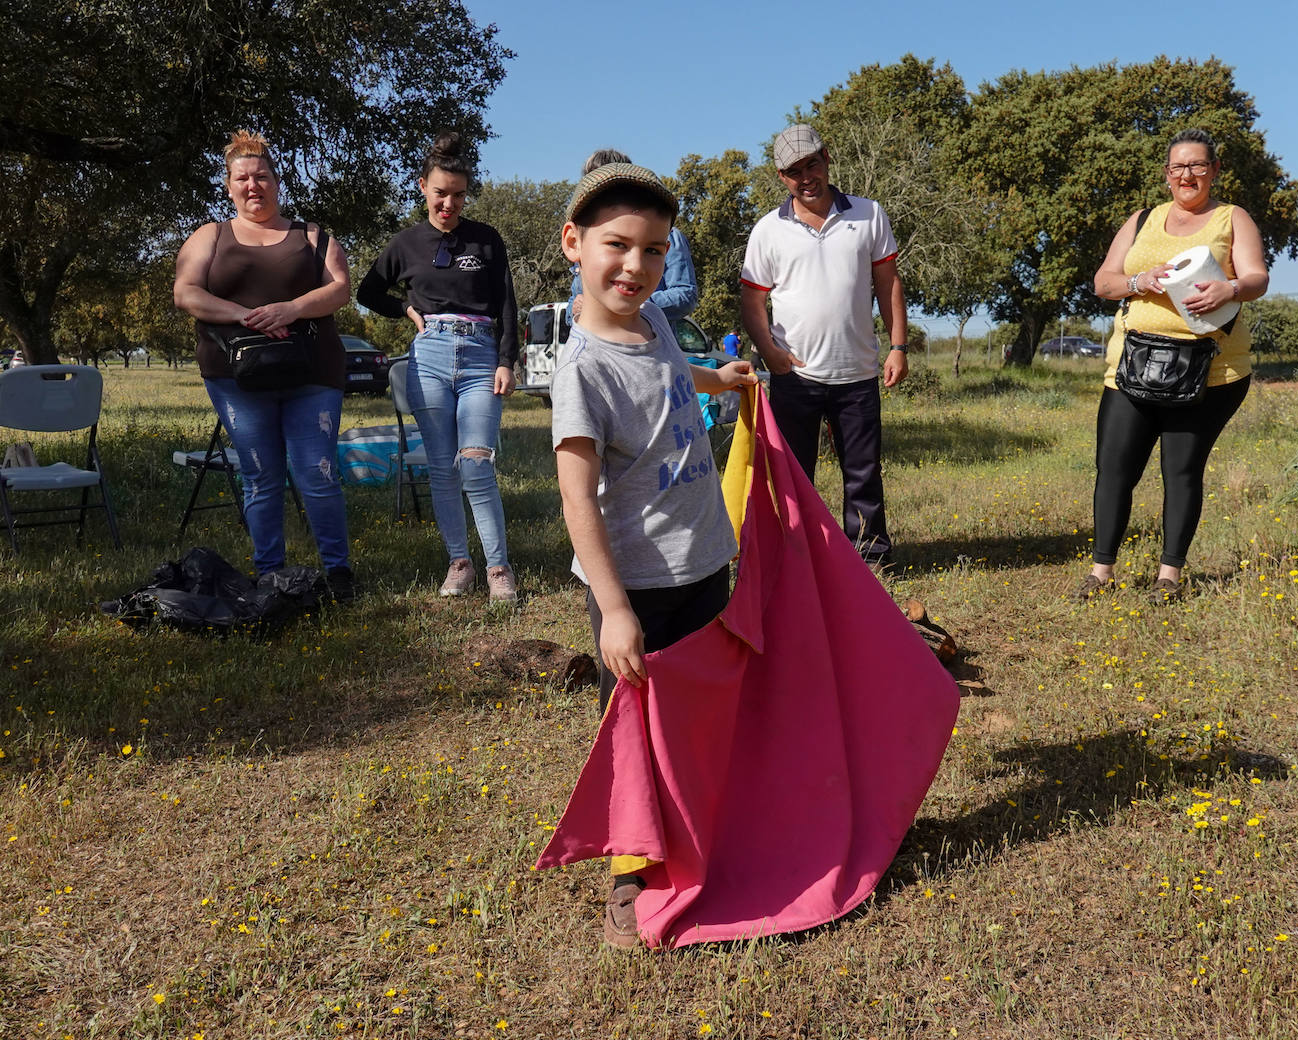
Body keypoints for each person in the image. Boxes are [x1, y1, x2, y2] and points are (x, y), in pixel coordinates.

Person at [552, 162, 755, 945]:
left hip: (704, 562)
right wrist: (612, 611)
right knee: (633, 733)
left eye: (655, 251)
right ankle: (629, 874)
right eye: (618, 246)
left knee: (698, 712)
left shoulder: (655, 325)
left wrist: (720, 377)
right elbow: (577, 501)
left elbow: (669, 380)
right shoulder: (582, 371)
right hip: (636, 587)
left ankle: (702, 830)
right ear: (574, 243)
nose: (636, 266)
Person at [1081, 128, 1268, 605]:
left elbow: (1256, 276)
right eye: (1178, 167)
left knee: (1181, 470)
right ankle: (1101, 573)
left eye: (1197, 166)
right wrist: (1139, 281)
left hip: (1209, 370)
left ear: (1214, 172)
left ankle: (1169, 577)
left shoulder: (1231, 218)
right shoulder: (1143, 219)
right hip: (1133, 363)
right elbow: (1104, 281)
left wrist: (1232, 288)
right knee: (1114, 469)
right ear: (1166, 176)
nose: (1187, 175)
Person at [173, 130, 355, 601]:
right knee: (260, 476)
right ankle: (269, 574)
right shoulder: (209, 236)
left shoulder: (312, 236)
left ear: (277, 180)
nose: (253, 186)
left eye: (262, 176)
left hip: (312, 373)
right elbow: (186, 293)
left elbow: (338, 289)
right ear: (229, 186)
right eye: (242, 179)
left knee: (316, 473)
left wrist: (290, 309)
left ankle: (339, 575)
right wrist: (246, 316)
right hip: (236, 378)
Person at [358, 132, 519, 603]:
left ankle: (498, 568)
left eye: (458, 195)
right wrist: (403, 311)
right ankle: (460, 563)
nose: (449, 203)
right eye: (440, 192)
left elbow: (507, 304)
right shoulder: (405, 243)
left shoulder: (485, 239)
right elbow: (368, 292)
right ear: (423, 188)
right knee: (442, 471)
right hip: (427, 358)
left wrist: (507, 359)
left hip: (479, 356)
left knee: (475, 465)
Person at [739, 124, 909, 569]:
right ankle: (798, 557)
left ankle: (870, 558)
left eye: (811, 164)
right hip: (793, 375)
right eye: (793, 171)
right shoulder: (767, 230)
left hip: (857, 372)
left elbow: (888, 281)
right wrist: (770, 353)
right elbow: (752, 300)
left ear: (827, 158)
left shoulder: (869, 215)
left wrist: (898, 346)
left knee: (863, 473)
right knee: (794, 479)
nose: (805, 177)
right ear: (781, 178)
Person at [568, 148, 698, 322]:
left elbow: (685, 295)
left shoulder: (669, 236)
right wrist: (575, 310)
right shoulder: (588, 239)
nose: (634, 266)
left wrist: (628, 301)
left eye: (651, 250)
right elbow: (576, 301)